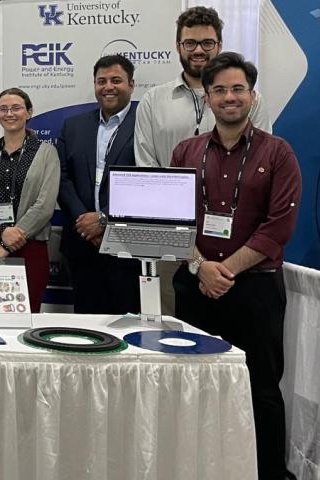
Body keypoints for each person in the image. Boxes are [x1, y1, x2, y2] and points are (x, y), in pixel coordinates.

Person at [171, 52, 301, 480]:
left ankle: (268, 472)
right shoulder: (185, 151)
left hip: (256, 291)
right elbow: (175, 222)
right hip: (195, 286)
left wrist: (222, 270)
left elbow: (278, 227)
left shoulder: (278, 153)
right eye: (220, 90)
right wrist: (201, 267)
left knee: (261, 387)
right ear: (207, 98)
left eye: (238, 89)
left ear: (252, 95)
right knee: (193, 385)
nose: (230, 97)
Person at [134, 6, 272, 315]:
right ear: (178, 46)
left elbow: (261, 162)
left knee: (239, 330)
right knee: (172, 328)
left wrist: (224, 264)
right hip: (171, 243)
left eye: (207, 42)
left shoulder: (250, 100)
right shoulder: (153, 101)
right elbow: (147, 172)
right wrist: (187, 247)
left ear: (219, 45)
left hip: (237, 246)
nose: (198, 50)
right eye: (190, 43)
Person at [57, 55, 140, 314]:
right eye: (101, 81)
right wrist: (85, 223)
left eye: (116, 80)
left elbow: (146, 180)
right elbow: (62, 178)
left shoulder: (145, 124)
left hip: (126, 245)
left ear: (131, 85)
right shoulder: (74, 126)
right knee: (87, 324)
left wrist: (104, 219)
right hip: (81, 243)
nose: (108, 87)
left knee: (126, 322)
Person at [0, 88, 60, 313]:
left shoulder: (46, 153)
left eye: (16, 108)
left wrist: (9, 243)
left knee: (27, 315)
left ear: (29, 112)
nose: (9, 113)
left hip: (31, 248)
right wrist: (1, 232)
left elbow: (45, 205)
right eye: (3, 109)